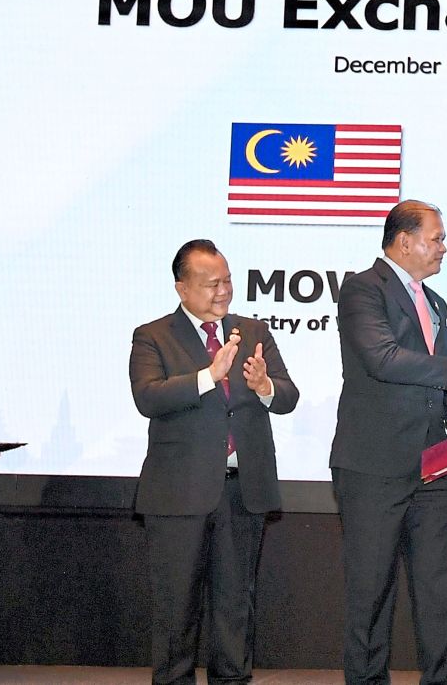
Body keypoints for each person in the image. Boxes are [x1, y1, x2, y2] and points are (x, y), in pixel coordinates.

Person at [329, 200, 447, 685]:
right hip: (373, 467)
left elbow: (445, 376)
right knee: (371, 593)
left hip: (432, 465)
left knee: (437, 591)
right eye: (437, 238)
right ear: (404, 241)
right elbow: (384, 359)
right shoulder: (363, 289)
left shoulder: (436, 303)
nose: (444, 247)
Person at [129, 239, 300, 685]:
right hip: (178, 494)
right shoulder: (153, 336)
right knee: (176, 609)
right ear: (182, 288)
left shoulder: (253, 332)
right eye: (211, 284)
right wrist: (209, 376)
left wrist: (264, 387)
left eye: (227, 281)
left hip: (243, 490)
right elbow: (148, 397)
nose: (223, 291)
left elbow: (288, 396)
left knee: (235, 607)